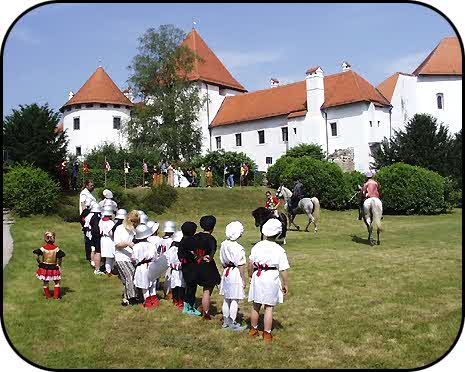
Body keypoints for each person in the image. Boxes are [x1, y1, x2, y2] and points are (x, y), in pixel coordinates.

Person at [248, 218, 290, 342]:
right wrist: (286, 284)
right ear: (278, 234)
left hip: (258, 275)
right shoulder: (279, 249)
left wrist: (250, 275)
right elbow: (283, 269)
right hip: (271, 277)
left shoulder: (257, 246)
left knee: (256, 305)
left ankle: (253, 329)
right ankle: (267, 333)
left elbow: (250, 263)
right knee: (269, 307)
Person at [219, 221, 247, 331]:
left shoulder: (224, 244)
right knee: (234, 299)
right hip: (234, 273)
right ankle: (232, 322)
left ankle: (226, 321)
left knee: (227, 299)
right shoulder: (238, 248)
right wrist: (243, 279)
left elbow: (222, 260)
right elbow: (240, 265)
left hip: (226, 271)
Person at [195, 215, 222, 320]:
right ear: (212, 227)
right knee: (207, 290)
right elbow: (212, 253)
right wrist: (209, 257)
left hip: (196, 264)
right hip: (206, 266)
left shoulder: (196, 236)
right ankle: (206, 313)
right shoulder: (211, 239)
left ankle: (197, 305)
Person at [113, 210, 140, 306]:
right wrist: (127, 244)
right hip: (121, 256)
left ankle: (126, 298)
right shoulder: (120, 229)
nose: (133, 223)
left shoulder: (133, 231)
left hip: (130, 257)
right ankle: (132, 297)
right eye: (132, 221)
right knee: (129, 275)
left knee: (129, 278)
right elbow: (117, 244)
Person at [177, 221, 201, 315]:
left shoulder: (182, 241)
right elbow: (194, 254)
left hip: (184, 266)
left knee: (188, 286)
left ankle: (187, 305)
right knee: (192, 287)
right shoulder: (191, 243)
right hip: (191, 266)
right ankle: (190, 307)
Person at [132, 224, 159, 308]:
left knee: (144, 285)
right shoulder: (152, 245)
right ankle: (154, 300)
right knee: (152, 284)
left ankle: (147, 302)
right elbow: (155, 256)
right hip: (152, 265)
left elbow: (134, 259)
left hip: (142, 267)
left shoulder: (136, 247)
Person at [33, 231, 65, 300]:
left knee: (45, 282)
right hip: (53, 267)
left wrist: (39, 262)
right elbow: (60, 257)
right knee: (57, 281)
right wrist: (59, 265)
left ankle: (48, 296)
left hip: (44, 267)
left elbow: (36, 255)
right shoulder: (56, 249)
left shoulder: (43, 248)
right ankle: (56, 297)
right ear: (53, 239)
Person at [166, 231, 185, 309]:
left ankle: (177, 299)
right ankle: (179, 300)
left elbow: (168, 259)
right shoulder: (177, 249)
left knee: (177, 285)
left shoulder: (172, 249)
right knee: (180, 285)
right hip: (178, 270)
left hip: (175, 270)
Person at [160, 221, 176, 299]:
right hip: (169, 259)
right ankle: (168, 293)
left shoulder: (161, 239)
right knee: (169, 277)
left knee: (167, 276)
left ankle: (167, 292)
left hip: (162, 259)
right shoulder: (171, 241)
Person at [99, 205, 115, 276]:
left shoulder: (101, 220)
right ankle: (109, 271)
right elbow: (111, 233)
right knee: (110, 256)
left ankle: (109, 269)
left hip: (103, 239)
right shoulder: (110, 222)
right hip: (109, 239)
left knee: (108, 256)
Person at [89, 203, 104, 275]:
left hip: (93, 235)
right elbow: (96, 228)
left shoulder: (92, 216)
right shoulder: (96, 217)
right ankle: (97, 269)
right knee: (98, 252)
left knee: (94, 250)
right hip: (96, 236)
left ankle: (95, 265)